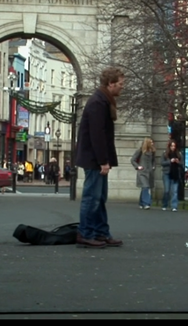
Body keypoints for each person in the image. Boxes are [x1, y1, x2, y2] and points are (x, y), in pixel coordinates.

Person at [75, 67, 125, 248]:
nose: (122, 87)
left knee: (100, 197)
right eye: (120, 84)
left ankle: (101, 232)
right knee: (92, 197)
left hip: (95, 157)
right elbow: (98, 134)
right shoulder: (98, 102)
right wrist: (103, 160)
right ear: (110, 83)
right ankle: (86, 233)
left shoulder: (102, 100)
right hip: (94, 159)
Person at [131, 137, 156, 210]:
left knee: (145, 187)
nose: (152, 143)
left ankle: (141, 202)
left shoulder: (152, 151)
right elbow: (133, 160)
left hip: (149, 172)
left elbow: (153, 160)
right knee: (145, 186)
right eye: (151, 142)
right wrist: (138, 166)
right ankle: (146, 203)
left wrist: (153, 166)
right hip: (142, 172)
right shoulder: (140, 151)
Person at [160, 140, 183, 212]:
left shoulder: (179, 154)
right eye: (172, 146)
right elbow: (162, 163)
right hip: (167, 173)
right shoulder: (165, 153)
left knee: (174, 191)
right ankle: (165, 204)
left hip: (175, 173)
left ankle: (174, 206)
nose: (173, 147)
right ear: (169, 146)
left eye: (174, 146)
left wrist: (178, 162)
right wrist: (170, 161)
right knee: (167, 190)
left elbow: (182, 164)